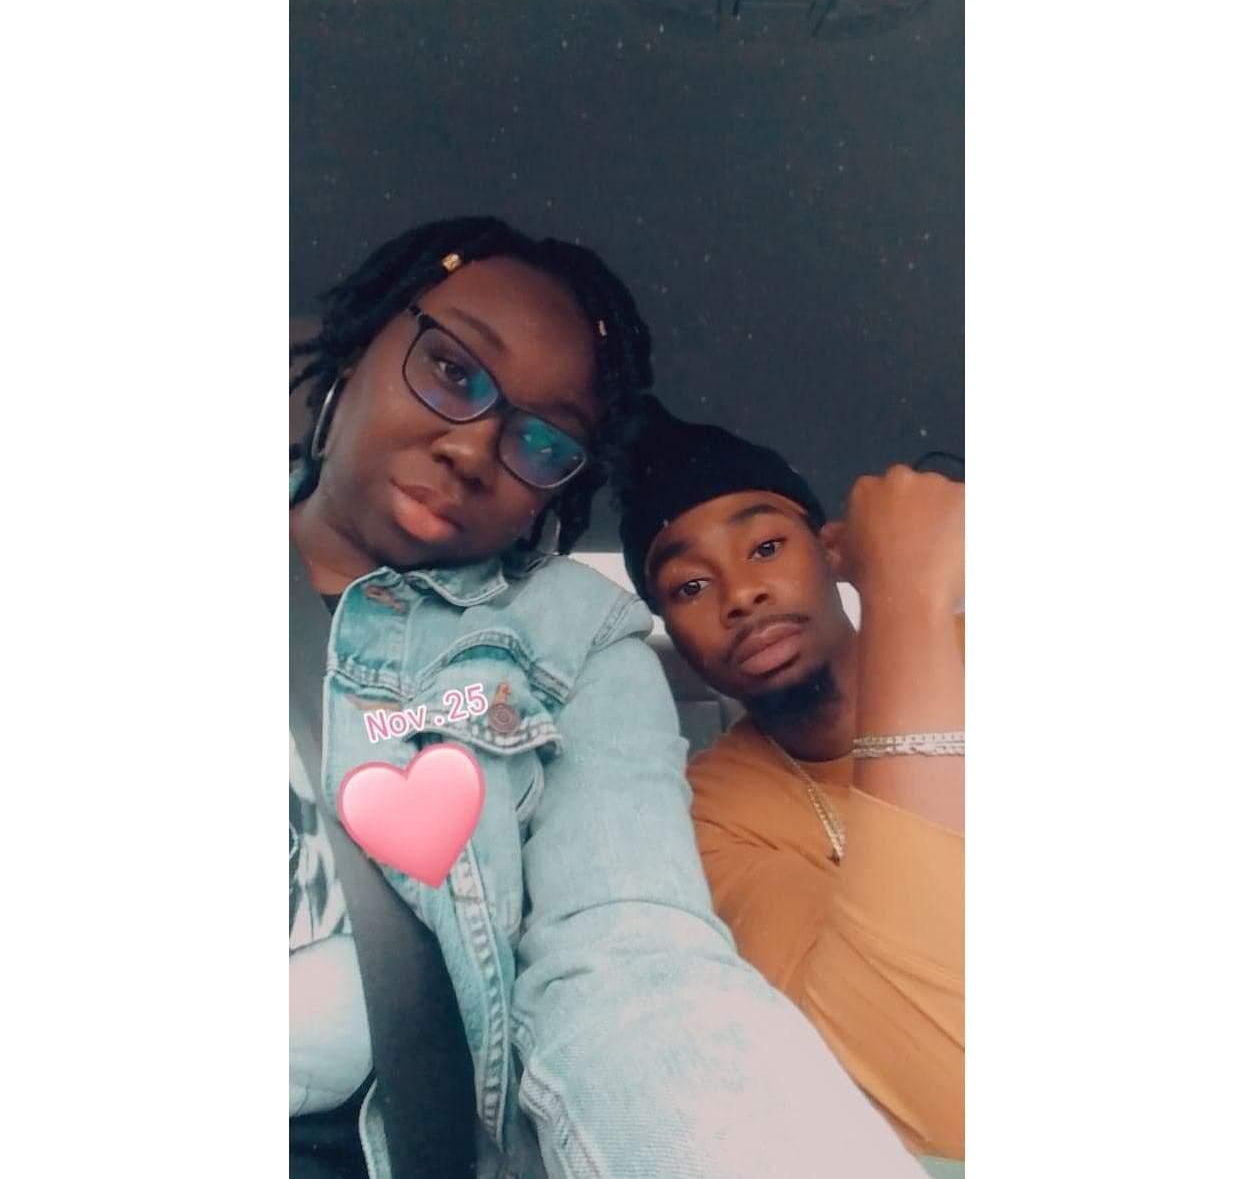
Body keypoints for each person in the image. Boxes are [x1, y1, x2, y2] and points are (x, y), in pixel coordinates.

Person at [289, 218, 924, 1178]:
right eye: (454, 372)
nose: (475, 449)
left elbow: (634, 961)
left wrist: (913, 595)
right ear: (359, 343)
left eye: (542, 441)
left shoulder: (573, 643)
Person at [618, 397, 965, 1165]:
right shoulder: (707, 815)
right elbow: (930, 1084)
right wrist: (904, 594)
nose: (740, 593)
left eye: (767, 546)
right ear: (673, 634)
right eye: (690, 587)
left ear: (832, 548)